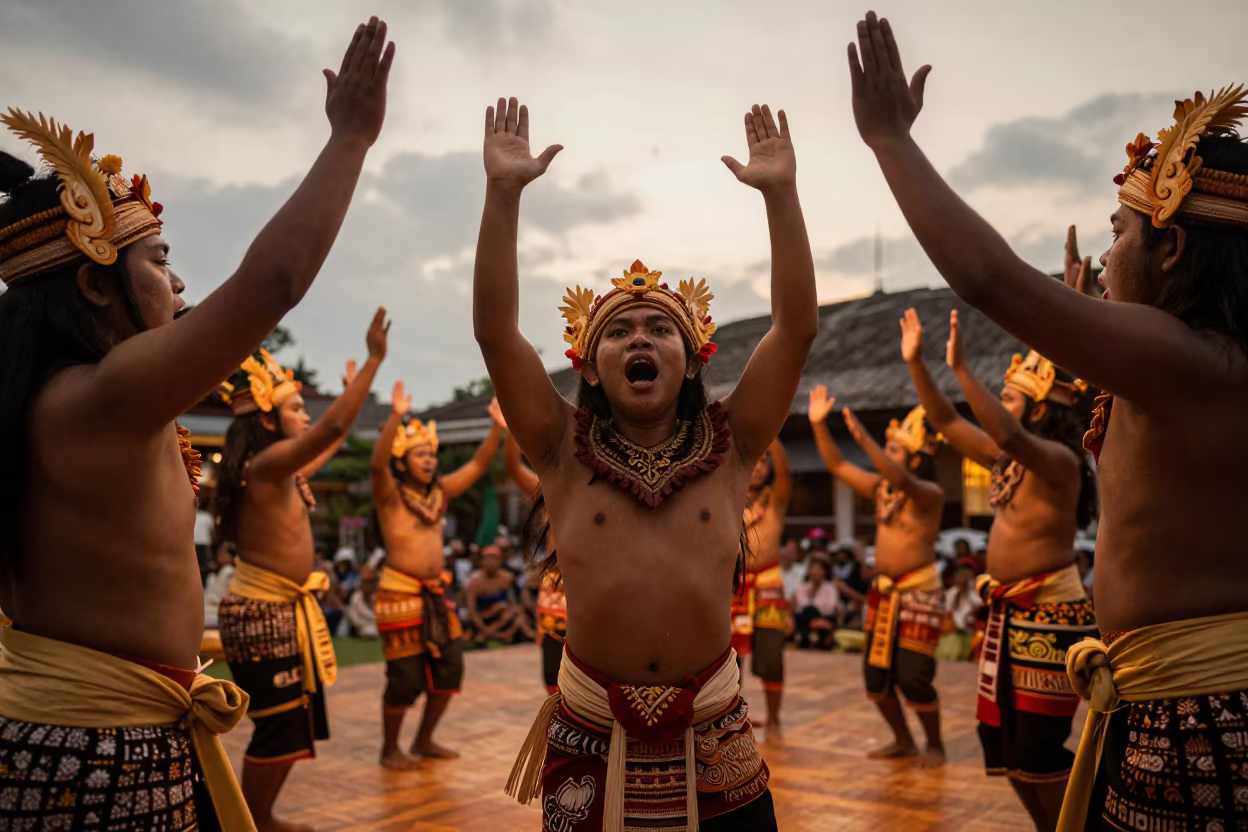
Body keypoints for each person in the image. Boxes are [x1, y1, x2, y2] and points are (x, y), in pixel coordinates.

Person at [847, 12, 1248, 830]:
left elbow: (989, 276)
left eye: (1120, 235)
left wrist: (889, 140)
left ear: (1172, 252)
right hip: (1164, 703)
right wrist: (1088, 310)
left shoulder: (1192, 361)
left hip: (1195, 719)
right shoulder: (1186, 369)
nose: (1105, 261)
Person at [0, 17, 393, 831]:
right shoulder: (99, 397)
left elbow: (244, 301)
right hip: (96, 749)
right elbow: (272, 282)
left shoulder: (74, 398)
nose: (179, 286)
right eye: (160, 261)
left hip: (99, 734)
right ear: (94, 288)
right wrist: (351, 140)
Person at [480, 97, 815, 831]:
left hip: (716, 730)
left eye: (660, 328)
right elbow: (497, 332)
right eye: (620, 331)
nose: (641, 338)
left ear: (692, 357)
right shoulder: (560, 448)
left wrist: (782, 198)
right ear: (592, 369)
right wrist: (502, 195)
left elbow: (795, 328)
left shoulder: (735, 443)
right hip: (592, 729)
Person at [900, 305, 1098, 828]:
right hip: (1009, 616)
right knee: (1006, 747)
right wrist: (919, 363)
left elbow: (1008, 435)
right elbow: (944, 421)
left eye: (1009, 399)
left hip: (1050, 616)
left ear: (1036, 410)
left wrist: (963, 369)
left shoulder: (1061, 463)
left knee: (1037, 749)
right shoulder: (1007, 459)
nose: (999, 408)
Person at [213, 310, 388, 830]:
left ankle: (262, 816)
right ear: (267, 420)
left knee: (293, 724)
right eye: (295, 409)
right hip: (263, 611)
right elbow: (331, 425)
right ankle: (256, 821)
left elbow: (331, 437)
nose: (305, 416)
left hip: (280, 610)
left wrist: (349, 402)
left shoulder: (281, 472)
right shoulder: (264, 469)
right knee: (278, 727)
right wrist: (373, 361)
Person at [808, 385, 947, 767]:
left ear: (916, 458)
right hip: (883, 593)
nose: (887, 456)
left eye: (896, 451)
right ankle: (903, 740)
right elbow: (838, 466)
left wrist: (863, 439)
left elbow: (902, 480)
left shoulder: (928, 494)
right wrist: (819, 425)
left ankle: (935, 744)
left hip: (919, 592)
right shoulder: (882, 488)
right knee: (876, 676)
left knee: (913, 677)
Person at [369, 383, 504, 769]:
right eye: (420, 455)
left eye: (431, 454)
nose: (429, 460)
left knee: (450, 668)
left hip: (435, 594)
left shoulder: (440, 493)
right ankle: (389, 748)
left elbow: (478, 465)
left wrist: (497, 427)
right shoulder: (390, 495)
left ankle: (424, 739)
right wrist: (395, 416)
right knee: (405, 678)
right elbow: (377, 465)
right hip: (399, 595)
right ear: (403, 460)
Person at [503, 428, 568, 694]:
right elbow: (513, 466)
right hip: (557, 585)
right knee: (553, 676)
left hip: (594, 585)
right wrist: (508, 427)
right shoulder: (547, 489)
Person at [736, 440, 793, 739]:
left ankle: (773, 719)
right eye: (754, 461)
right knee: (729, 657)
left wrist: (770, 433)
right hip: (734, 583)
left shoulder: (776, 498)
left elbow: (785, 473)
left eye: (764, 461)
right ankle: (733, 716)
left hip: (769, 582)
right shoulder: (727, 495)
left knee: (771, 655)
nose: (759, 467)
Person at [793, 556, 842, 649]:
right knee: (808, 611)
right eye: (813, 569)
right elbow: (801, 605)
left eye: (819, 569)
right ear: (809, 571)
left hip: (824, 618)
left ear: (824, 572)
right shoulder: (802, 588)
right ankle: (806, 638)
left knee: (812, 611)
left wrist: (817, 618)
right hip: (806, 618)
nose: (816, 572)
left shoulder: (830, 588)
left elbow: (830, 607)